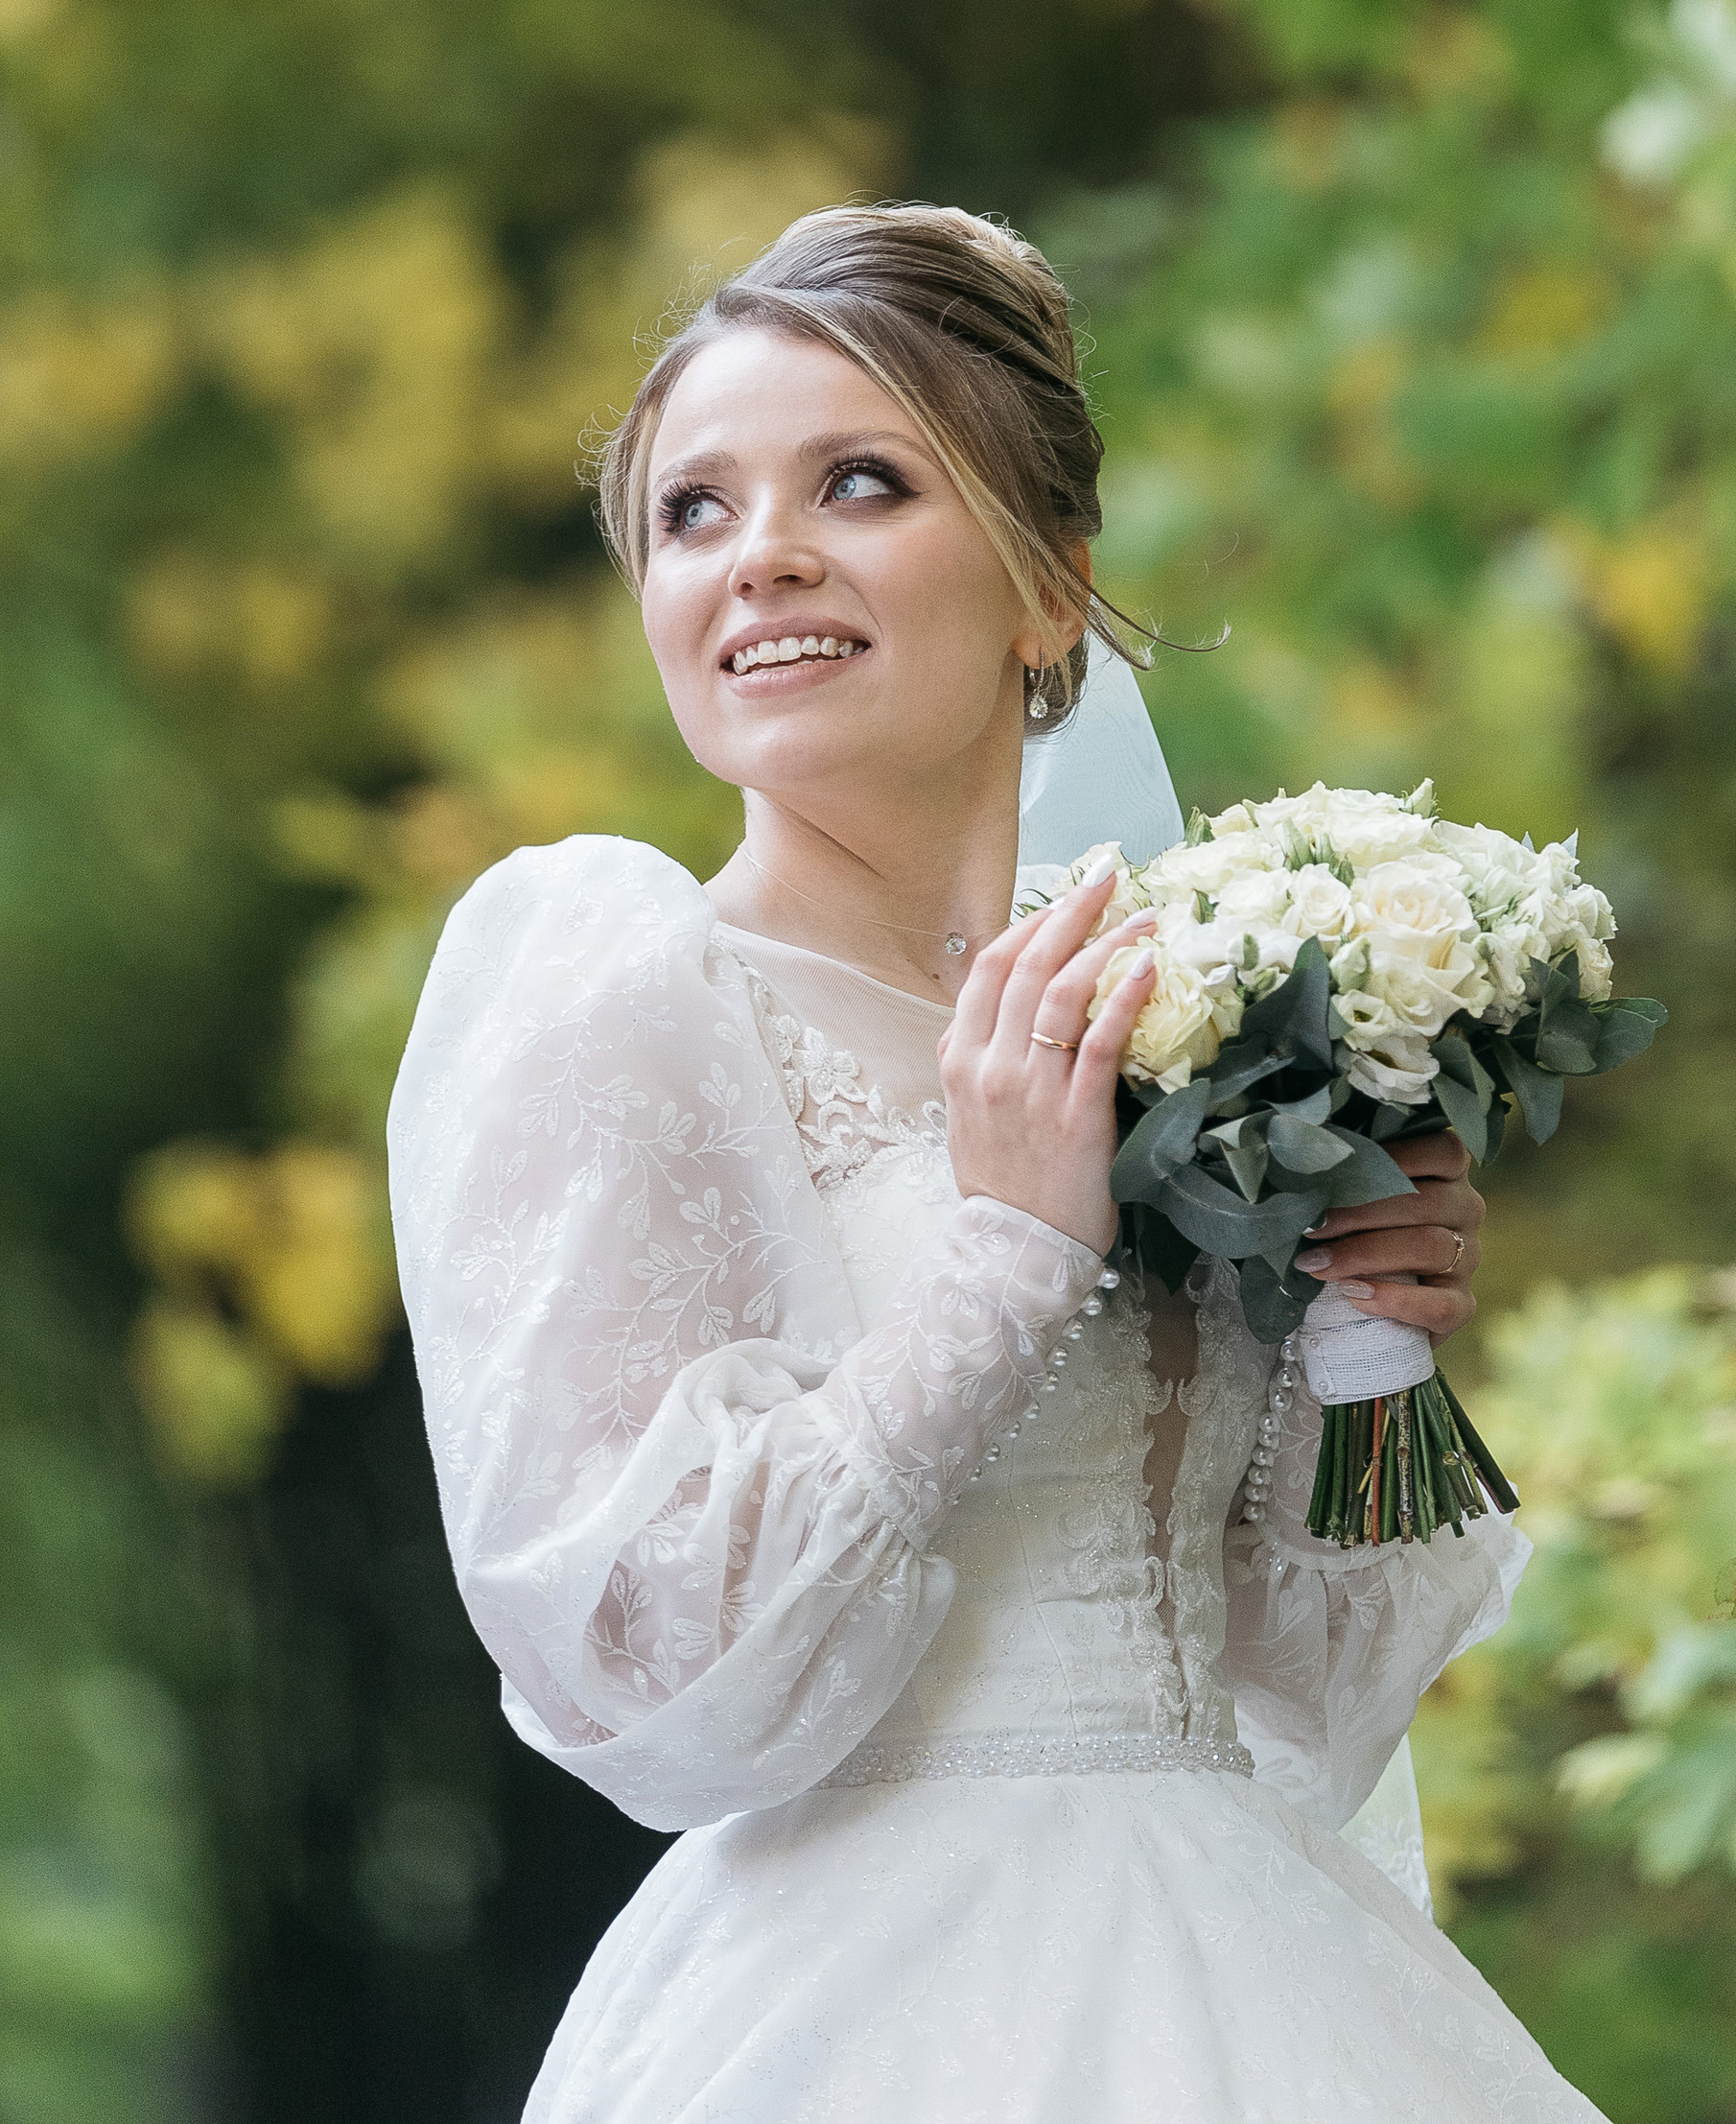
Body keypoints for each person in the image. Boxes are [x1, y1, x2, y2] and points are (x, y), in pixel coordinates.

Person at [389, 201, 1604, 2121]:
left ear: (1049, 587)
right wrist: (1004, 1258)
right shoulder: (620, 986)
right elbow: (644, 1678)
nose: (760, 554)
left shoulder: (1171, 1025)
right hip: (854, 2013)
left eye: (856, 483)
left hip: (1265, 1977)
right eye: (690, 513)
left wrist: (1363, 1333)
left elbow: (1303, 1692)